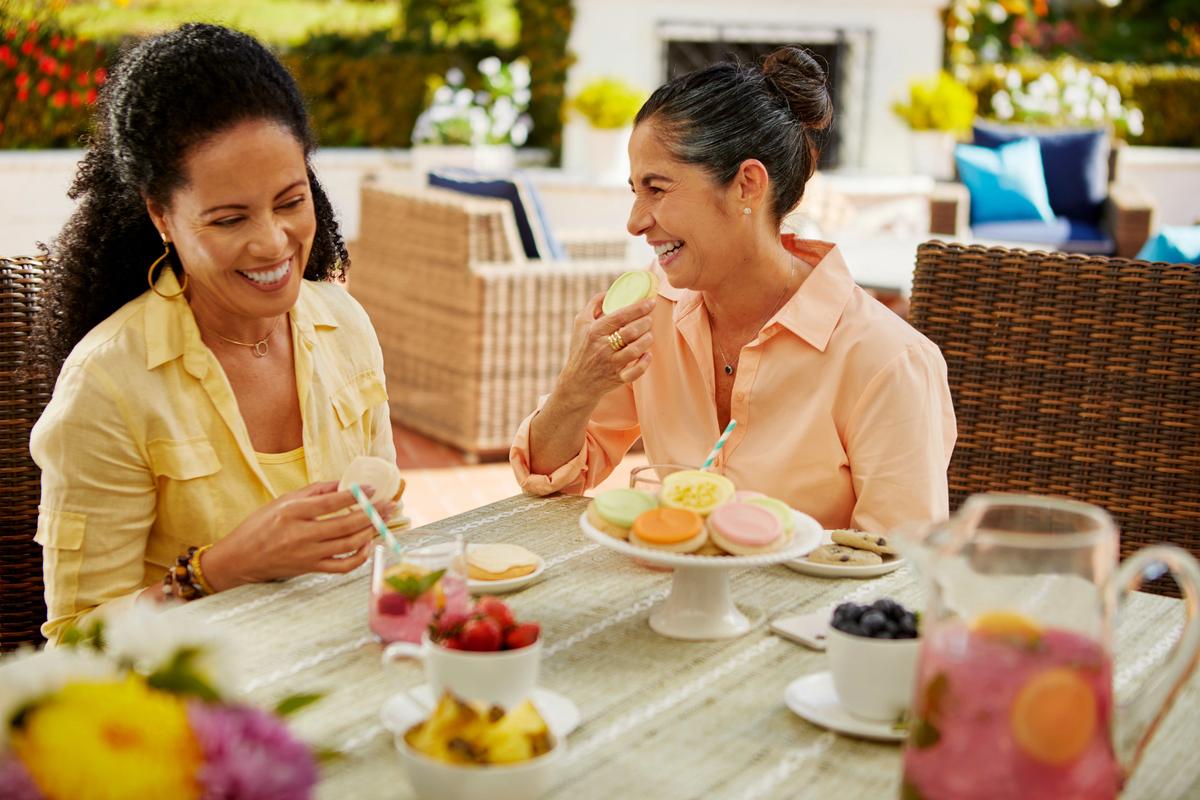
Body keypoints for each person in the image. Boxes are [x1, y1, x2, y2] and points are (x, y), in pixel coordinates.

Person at [28, 24, 397, 642]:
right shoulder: (109, 384)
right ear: (161, 215)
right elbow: (76, 640)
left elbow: (391, 533)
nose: (273, 242)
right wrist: (219, 569)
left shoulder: (344, 325)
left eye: (290, 201)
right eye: (229, 218)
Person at [510, 47, 956, 532]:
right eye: (634, 190)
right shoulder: (651, 313)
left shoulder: (887, 362)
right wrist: (577, 386)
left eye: (657, 189)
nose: (635, 222)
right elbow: (551, 478)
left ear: (747, 185)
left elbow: (900, 571)